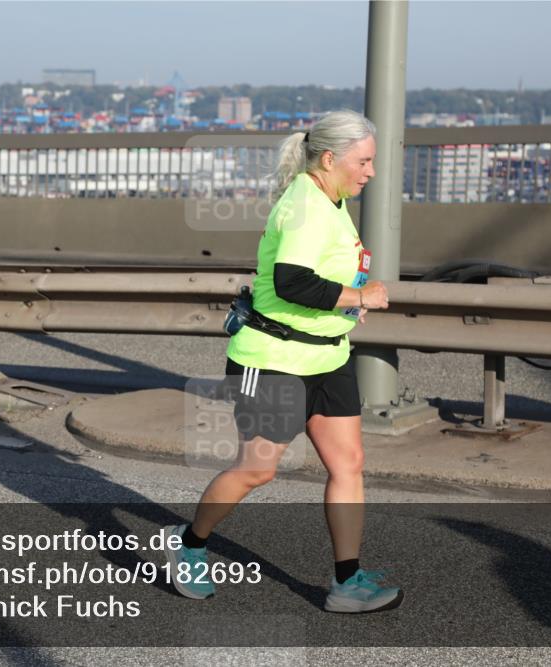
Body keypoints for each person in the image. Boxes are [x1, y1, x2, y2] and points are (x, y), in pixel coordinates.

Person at [162, 110, 403, 613]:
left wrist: (348, 300)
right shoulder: (304, 206)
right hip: (273, 359)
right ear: (331, 158)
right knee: (257, 470)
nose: (371, 172)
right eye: (365, 161)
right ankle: (190, 543)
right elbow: (294, 282)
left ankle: (347, 582)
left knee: (349, 464)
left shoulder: (332, 200)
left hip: (328, 357)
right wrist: (360, 298)